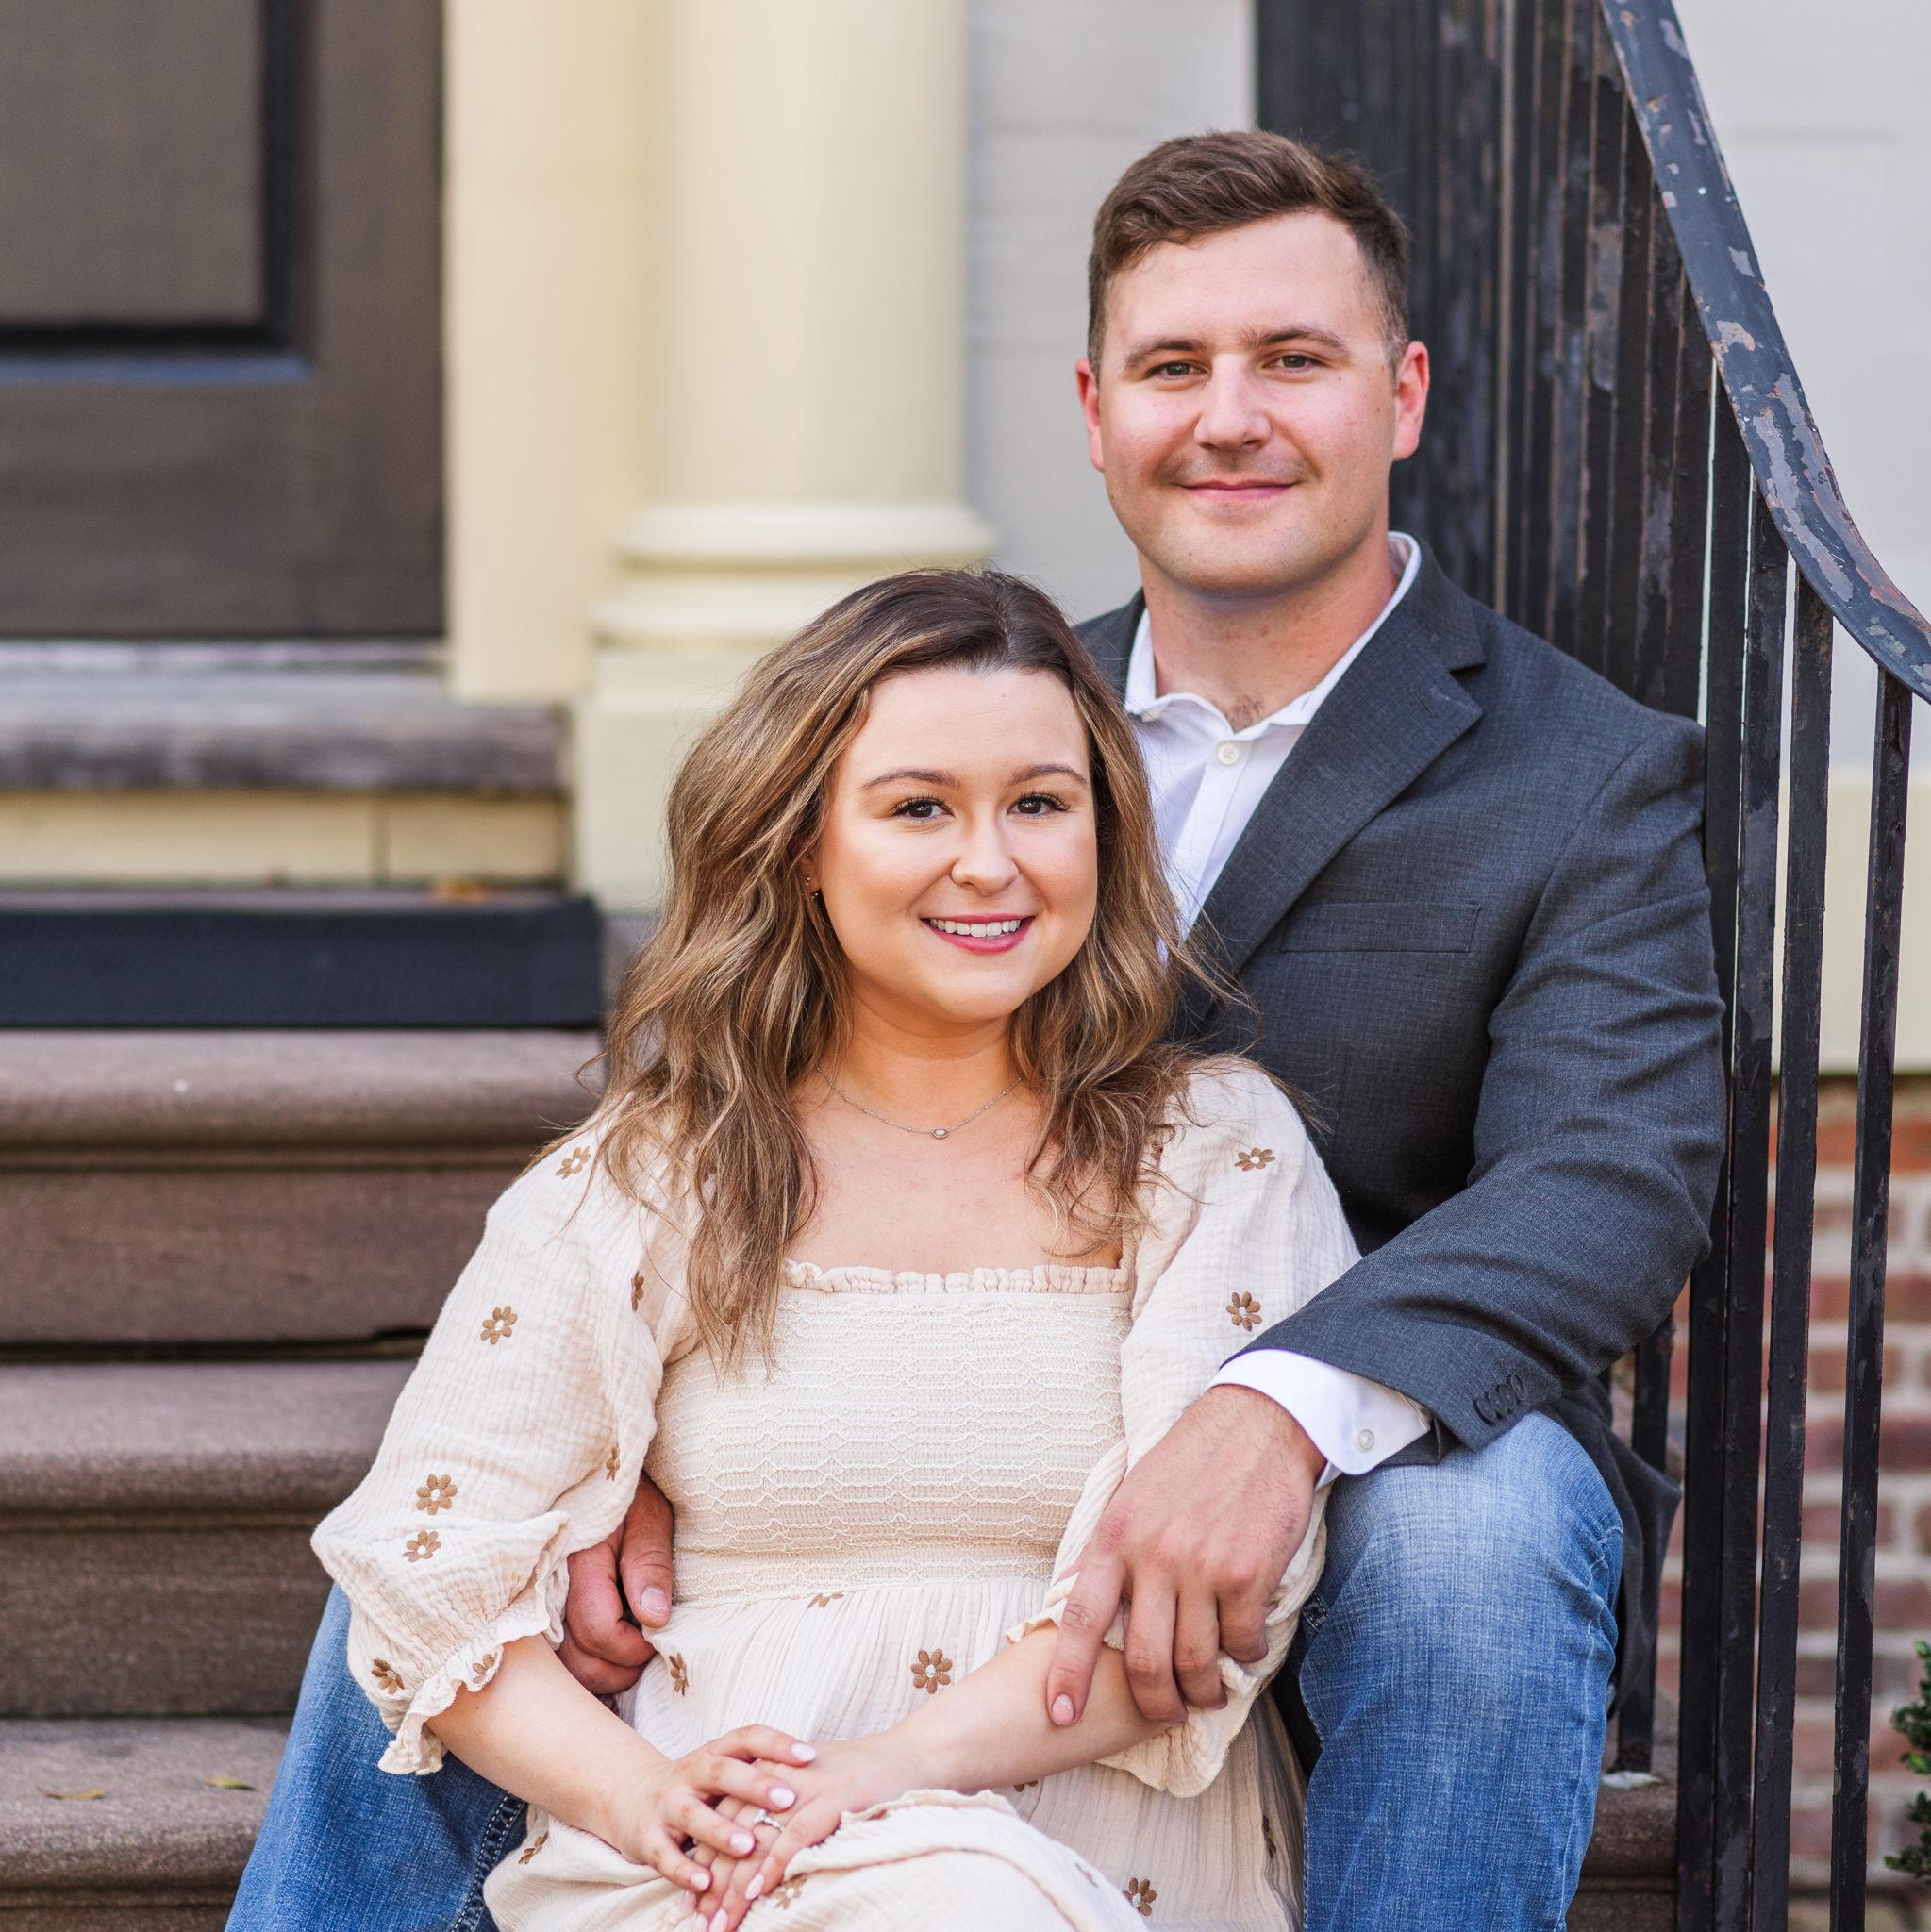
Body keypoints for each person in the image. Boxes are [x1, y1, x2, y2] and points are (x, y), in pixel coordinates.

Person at [233, 130, 1723, 1931]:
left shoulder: (1578, 773)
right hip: (870, 1448)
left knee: (1478, 1536)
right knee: (459, 1546)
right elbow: (753, 1029)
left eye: (1295, 361)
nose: (1229, 416)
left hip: (1353, 1455)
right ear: (1096, 415)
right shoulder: (989, 701)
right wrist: (652, 1415)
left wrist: (1279, 1408)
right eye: (1175, 368)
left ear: (1403, 396)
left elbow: (1609, 1175)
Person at [302, 568, 1357, 1932]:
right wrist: (644, 1797)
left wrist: (879, 1778)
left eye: (1040, 804)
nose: (991, 862)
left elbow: (1212, 1599)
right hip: (721, 1869)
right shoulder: (664, 1166)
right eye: (920, 806)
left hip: (1092, 1864)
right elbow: (423, 1558)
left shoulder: (1215, 1151)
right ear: (804, 845)